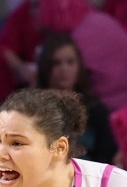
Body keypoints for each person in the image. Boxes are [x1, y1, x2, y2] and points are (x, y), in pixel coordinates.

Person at [35, 33, 117, 167]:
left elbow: (106, 155)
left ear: (79, 66)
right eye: (57, 63)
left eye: (70, 62)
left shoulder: (95, 109)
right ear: (45, 66)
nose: (64, 69)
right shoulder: (30, 108)